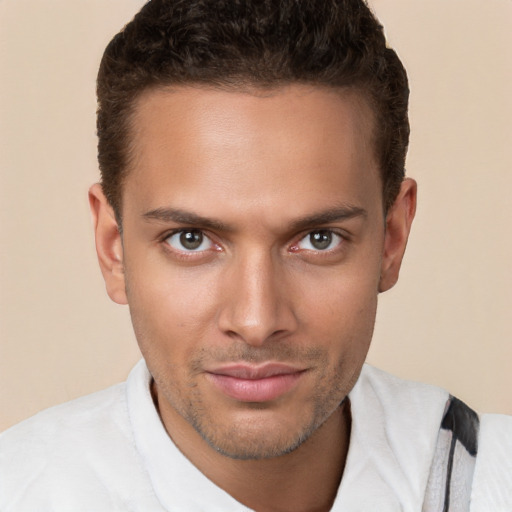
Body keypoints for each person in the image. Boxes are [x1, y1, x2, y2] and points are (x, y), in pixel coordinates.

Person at [0, 0, 510, 510]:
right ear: (113, 248)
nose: (256, 320)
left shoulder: (492, 483)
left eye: (318, 239)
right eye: (191, 239)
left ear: (391, 238)